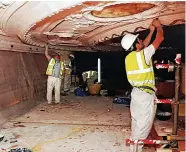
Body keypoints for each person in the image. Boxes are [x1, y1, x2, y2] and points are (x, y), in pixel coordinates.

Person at [121, 18, 164, 152]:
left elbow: (143, 45)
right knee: (143, 129)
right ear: (136, 45)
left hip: (136, 94)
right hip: (145, 96)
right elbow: (160, 38)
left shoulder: (129, 57)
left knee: (136, 125)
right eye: (138, 40)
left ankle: (133, 149)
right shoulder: (144, 55)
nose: (141, 41)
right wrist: (158, 27)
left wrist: (150, 32)